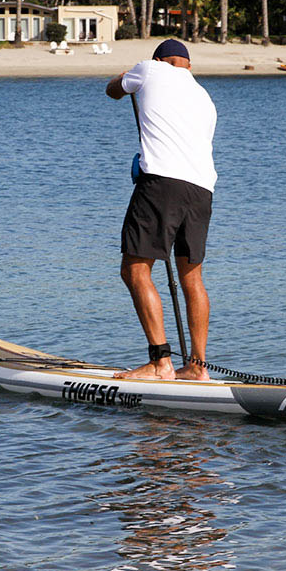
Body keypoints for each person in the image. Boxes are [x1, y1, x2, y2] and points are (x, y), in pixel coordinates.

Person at [105, 38, 217, 381]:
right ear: (189, 66)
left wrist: (126, 77)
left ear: (159, 59)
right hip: (202, 190)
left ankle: (160, 363)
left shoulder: (149, 69)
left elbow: (113, 90)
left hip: (162, 186)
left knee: (135, 270)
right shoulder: (205, 97)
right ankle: (197, 368)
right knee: (192, 277)